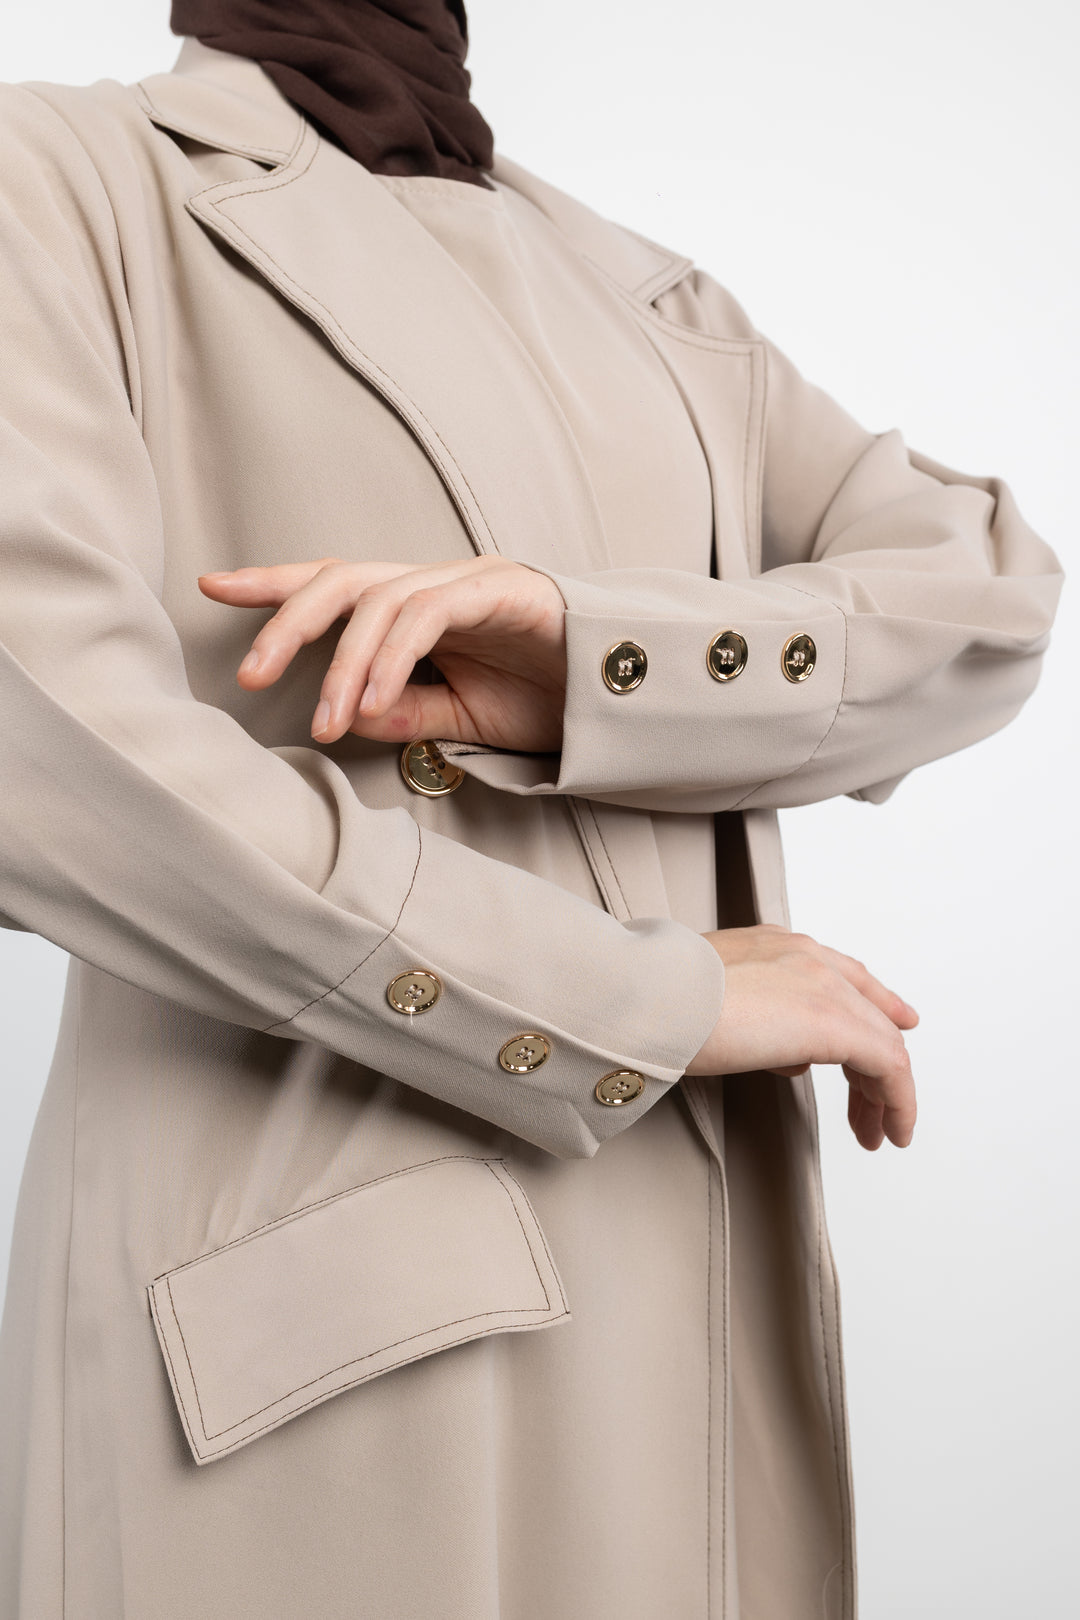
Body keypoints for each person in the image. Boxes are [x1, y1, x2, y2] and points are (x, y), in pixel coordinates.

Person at [0, 4, 1063, 1617]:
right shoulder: (62, 179)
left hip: (687, 1313)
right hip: (324, 1373)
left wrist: (588, 658)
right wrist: (637, 999)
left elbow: (985, 601)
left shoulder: (643, 291)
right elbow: (49, 750)